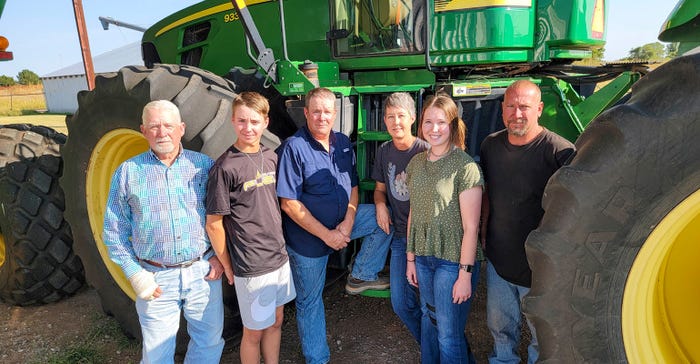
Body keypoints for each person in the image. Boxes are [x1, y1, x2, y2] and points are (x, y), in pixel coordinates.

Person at [102, 99, 225, 363]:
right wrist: (136, 274)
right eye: (154, 126)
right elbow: (113, 232)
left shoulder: (204, 166)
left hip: (202, 272)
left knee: (209, 343)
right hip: (156, 277)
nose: (162, 132)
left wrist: (217, 255)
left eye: (168, 125)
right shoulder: (127, 173)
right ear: (143, 131)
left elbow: (222, 217)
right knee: (157, 354)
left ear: (181, 128)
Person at [276, 87, 392, 364]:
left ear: (335, 114)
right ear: (306, 113)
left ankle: (361, 274)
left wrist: (348, 223)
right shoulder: (294, 147)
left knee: (384, 219)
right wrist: (329, 236)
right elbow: (289, 203)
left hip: (342, 224)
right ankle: (318, 359)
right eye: (315, 111)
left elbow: (352, 186)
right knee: (310, 302)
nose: (321, 117)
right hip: (308, 241)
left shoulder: (341, 142)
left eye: (327, 111)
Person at [480, 80, 576, 364]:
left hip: (540, 267)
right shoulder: (490, 146)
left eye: (525, 106)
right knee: (500, 328)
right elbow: (488, 191)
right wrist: (483, 229)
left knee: (540, 334)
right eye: (511, 106)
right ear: (502, 109)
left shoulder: (561, 153)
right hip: (499, 260)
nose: (517, 113)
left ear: (540, 109)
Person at [205, 92, 296, 364]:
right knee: (253, 332)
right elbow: (214, 223)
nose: (248, 128)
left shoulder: (271, 157)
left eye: (254, 121)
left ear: (265, 122)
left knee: (277, 321)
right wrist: (229, 266)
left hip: (278, 256)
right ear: (233, 121)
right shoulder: (225, 167)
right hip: (251, 262)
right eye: (242, 121)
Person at [406, 93, 484, 364]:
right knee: (429, 319)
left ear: (452, 125)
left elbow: (471, 227)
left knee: (449, 335)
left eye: (441, 122)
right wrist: (410, 259)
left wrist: (465, 275)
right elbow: (414, 212)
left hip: (452, 262)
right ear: (421, 126)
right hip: (424, 257)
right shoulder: (416, 163)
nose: (434, 129)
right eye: (428, 122)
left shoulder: (465, 166)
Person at [372, 92, 429, 343]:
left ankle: (441, 353)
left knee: (432, 307)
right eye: (391, 117)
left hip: (426, 240)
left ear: (413, 118)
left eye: (401, 116)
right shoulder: (384, 151)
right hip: (399, 238)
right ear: (384, 121)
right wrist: (380, 204)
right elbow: (380, 189)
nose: (396, 122)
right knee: (401, 304)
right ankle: (429, 347)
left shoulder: (426, 151)